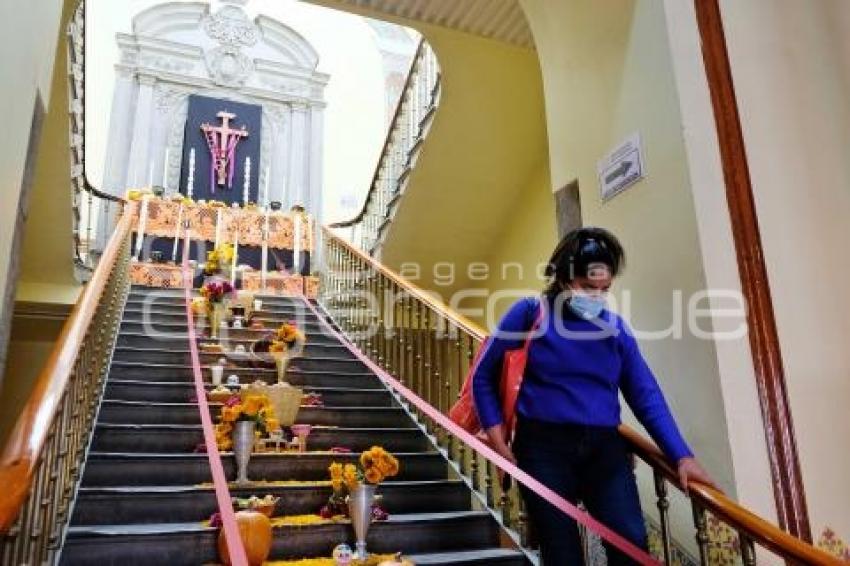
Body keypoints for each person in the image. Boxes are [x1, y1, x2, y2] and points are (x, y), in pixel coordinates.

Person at [471, 226, 715, 565]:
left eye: (605, 288)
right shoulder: (529, 313)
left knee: (631, 543)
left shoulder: (616, 330)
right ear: (563, 278)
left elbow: (646, 395)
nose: (596, 296)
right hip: (542, 449)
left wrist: (681, 456)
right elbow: (482, 376)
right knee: (562, 551)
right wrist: (498, 439)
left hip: (604, 450)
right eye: (588, 287)